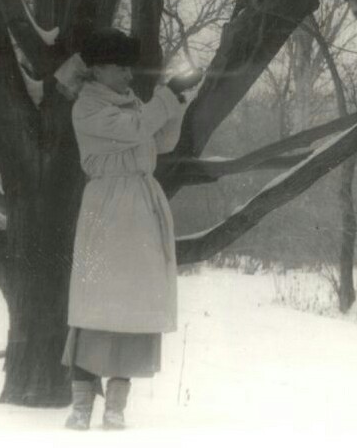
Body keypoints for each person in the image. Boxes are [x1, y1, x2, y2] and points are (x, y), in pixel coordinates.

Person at [61, 29, 202, 431]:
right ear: (97, 70)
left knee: (133, 306)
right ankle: (80, 408)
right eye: (119, 67)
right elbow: (135, 129)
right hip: (107, 209)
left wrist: (175, 101)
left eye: (128, 66)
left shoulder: (131, 102)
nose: (127, 74)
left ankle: (116, 408)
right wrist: (165, 96)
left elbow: (162, 141)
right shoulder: (87, 108)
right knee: (96, 307)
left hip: (139, 208)